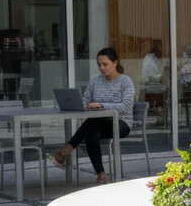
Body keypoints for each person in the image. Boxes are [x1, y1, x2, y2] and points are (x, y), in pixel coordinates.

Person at [47, 47, 133, 184]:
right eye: (99, 65)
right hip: (99, 123)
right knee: (92, 134)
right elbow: (86, 99)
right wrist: (86, 105)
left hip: (121, 123)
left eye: (105, 64)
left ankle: (65, 151)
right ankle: (101, 175)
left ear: (115, 63)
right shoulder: (95, 81)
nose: (101, 68)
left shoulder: (125, 81)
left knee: (93, 124)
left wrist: (101, 105)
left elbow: (126, 107)